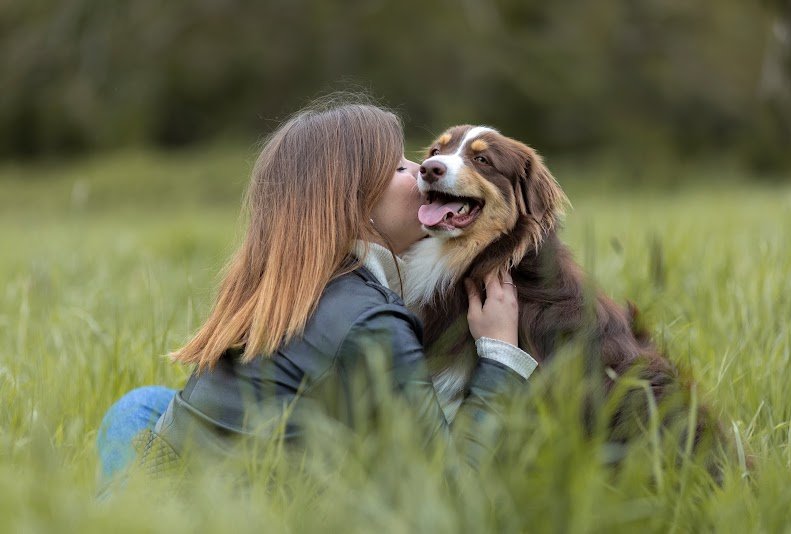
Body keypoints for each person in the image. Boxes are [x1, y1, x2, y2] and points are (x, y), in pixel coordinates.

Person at [96, 96, 538, 483]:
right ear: (357, 203)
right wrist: (500, 356)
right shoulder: (370, 321)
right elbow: (450, 494)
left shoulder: (288, 282)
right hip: (217, 511)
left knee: (143, 404)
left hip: (174, 475)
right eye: (401, 168)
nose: (421, 173)